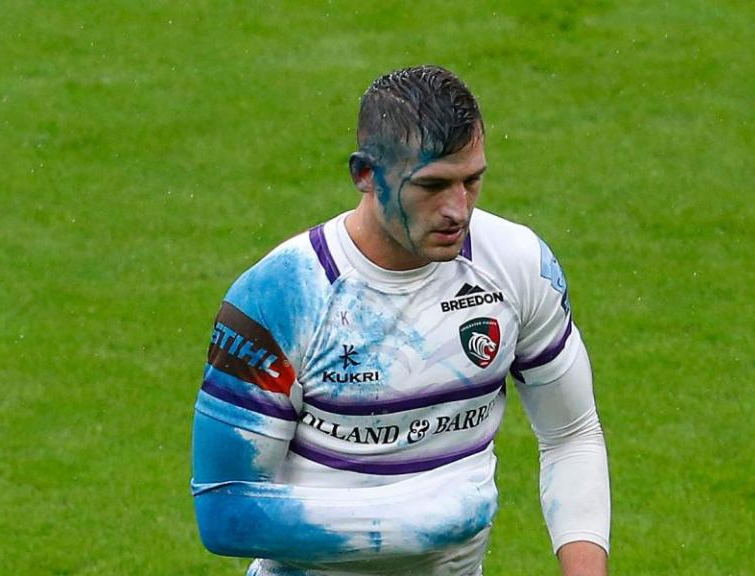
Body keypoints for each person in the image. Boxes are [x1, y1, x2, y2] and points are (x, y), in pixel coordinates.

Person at [191, 64, 610, 576]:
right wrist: (428, 520)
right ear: (364, 174)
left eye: (472, 180)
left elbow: (571, 433)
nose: (458, 209)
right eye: (431, 185)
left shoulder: (516, 266)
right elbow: (224, 509)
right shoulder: (283, 296)